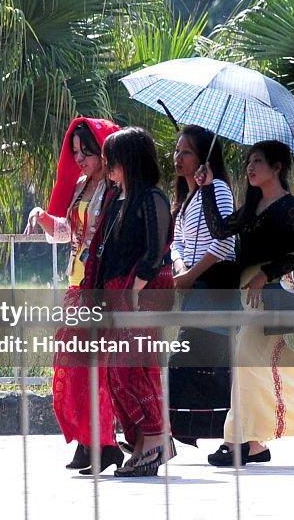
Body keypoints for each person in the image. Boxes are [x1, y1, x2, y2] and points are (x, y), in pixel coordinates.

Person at [196, 140, 294, 466]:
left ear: (277, 167)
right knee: (272, 365)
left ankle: (239, 441)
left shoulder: (288, 206)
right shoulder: (253, 207)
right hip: (250, 296)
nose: (250, 167)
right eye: (249, 162)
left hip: (273, 294)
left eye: (258, 161)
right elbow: (220, 229)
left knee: (244, 359)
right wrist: (207, 187)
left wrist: (265, 273)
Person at [26, 117, 124, 474]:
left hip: (99, 288)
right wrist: (43, 218)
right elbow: (69, 231)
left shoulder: (116, 190)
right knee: (71, 366)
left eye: (87, 151)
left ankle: (104, 443)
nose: (80, 158)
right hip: (76, 286)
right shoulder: (83, 186)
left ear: (104, 150)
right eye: (76, 152)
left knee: (94, 370)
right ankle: (87, 440)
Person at [82, 127, 174, 477]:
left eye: (111, 159)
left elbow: (156, 249)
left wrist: (135, 288)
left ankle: (154, 436)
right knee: (115, 370)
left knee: (130, 368)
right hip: (117, 292)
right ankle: (142, 440)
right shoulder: (117, 198)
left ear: (130, 160)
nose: (106, 166)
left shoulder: (152, 197)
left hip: (141, 292)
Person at [167, 126, 239, 446]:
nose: (177, 157)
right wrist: (181, 268)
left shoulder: (218, 190)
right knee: (206, 365)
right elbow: (178, 243)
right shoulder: (187, 200)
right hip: (194, 291)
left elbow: (225, 242)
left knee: (187, 363)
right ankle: (221, 432)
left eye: (186, 152)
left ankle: (166, 434)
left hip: (213, 290)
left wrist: (192, 274)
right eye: (177, 150)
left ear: (204, 160)